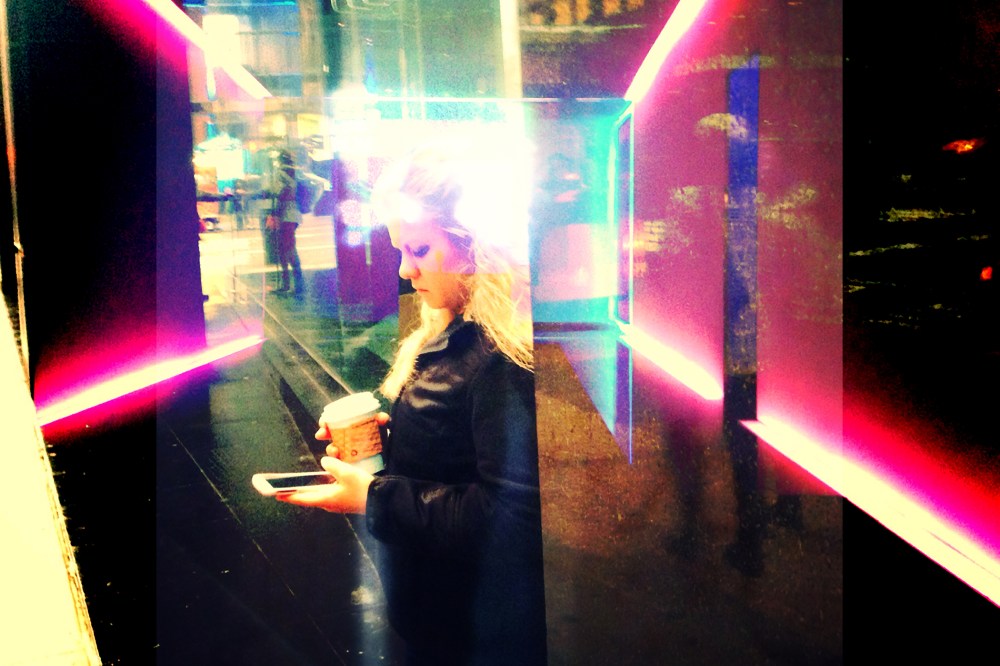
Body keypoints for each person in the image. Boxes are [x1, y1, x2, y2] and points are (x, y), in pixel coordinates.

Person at [275, 141, 547, 665]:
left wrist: (374, 498)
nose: (404, 270)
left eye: (420, 250)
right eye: (400, 250)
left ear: (475, 244)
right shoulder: (452, 325)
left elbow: (512, 519)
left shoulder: (501, 357)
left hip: (477, 628)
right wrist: (386, 437)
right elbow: (458, 448)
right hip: (440, 608)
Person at [271, 149, 305, 295]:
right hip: (294, 214)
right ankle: (292, 284)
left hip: (286, 215)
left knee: (287, 249)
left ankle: (294, 285)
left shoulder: (280, 173)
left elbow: (281, 193)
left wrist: (276, 212)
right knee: (287, 248)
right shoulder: (296, 173)